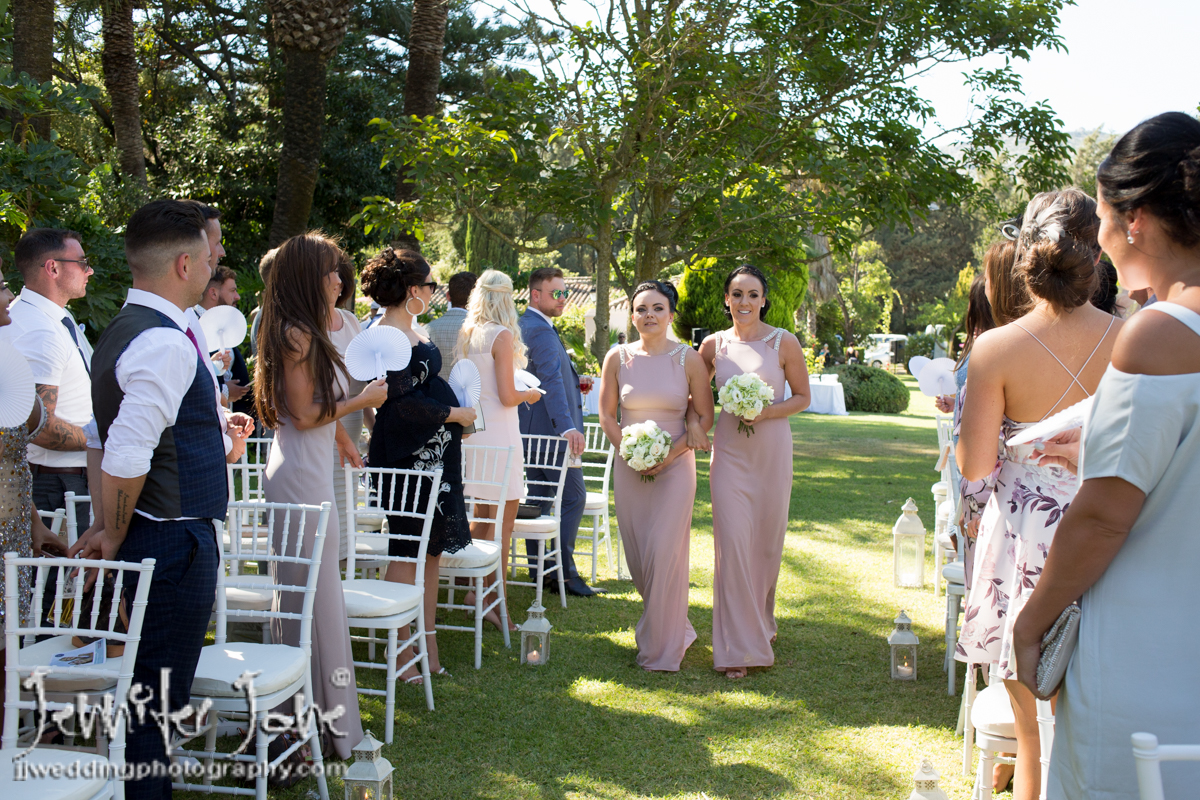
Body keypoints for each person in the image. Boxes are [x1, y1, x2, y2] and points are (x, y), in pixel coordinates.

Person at [1012, 112, 1200, 800]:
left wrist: (1031, 624)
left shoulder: (1158, 335)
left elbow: (1102, 519)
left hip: (1149, 656)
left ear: (1138, 218)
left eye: (1102, 219)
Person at [70, 199, 252, 799]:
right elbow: (124, 455)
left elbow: (101, 441)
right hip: (172, 540)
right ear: (183, 263)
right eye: (208, 255)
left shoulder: (121, 331)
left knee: (150, 692)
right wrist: (114, 532)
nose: (215, 262)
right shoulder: (165, 343)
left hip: (154, 532)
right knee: (156, 699)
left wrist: (105, 521)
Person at [955, 188, 1121, 800]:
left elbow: (975, 464)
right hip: (1110, 527)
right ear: (1097, 260)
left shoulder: (996, 348)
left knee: (1031, 730)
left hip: (1025, 538)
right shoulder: (1132, 340)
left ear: (1027, 253)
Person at [255, 232, 384, 757]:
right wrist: (362, 402)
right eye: (332, 271)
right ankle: (325, 728)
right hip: (301, 473)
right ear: (311, 277)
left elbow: (312, 415)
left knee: (306, 594)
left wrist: (343, 440)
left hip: (309, 462)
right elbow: (306, 413)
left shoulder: (300, 330)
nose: (340, 280)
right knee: (315, 597)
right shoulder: (296, 335)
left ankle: (306, 722)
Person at [360, 247, 477, 678]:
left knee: (430, 554)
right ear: (413, 289)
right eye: (430, 285)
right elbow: (401, 404)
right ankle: (400, 651)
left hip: (437, 456)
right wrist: (454, 415)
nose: (433, 292)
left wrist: (461, 417)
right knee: (407, 550)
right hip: (408, 458)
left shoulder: (414, 330)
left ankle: (425, 646)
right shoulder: (385, 337)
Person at [696, 265, 810, 679]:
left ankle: (762, 621)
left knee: (764, 543)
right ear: (726, 299)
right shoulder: (713, 346)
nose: (744, 302)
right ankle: (737, 648)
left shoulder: (784, 342)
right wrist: (694, 422)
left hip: (771, 453)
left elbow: (802, 397)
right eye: (737, 294)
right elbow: (694, 391)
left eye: (752, 294)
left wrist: (766, 411)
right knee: (733, 545)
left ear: (764, 299)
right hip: (728, 455)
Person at [598, 281, 713, 671]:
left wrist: (671, 454)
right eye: (642, 309)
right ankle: (673, 625)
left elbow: (704, 415)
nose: (649, 315)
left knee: (665, 552)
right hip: (630, 468)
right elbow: (606, 416)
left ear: (671, 314)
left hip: (676, 467)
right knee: (640, 559)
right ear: (632, 315)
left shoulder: (688, 359)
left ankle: (661, 649)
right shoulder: (617, 357)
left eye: (658, 308)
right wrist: (629, 452)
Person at [0, 263, 68, 735]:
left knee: (8, 650)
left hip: (12, 534)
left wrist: (34, 525)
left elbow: (14, 455)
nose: (8, 315)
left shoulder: (6, 358)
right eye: (1, 296)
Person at [456, 270, 541, 630]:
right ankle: (498, 606)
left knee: (480, 518)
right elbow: (508, 396)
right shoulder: (502, 335)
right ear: (506, 299)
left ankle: (477, 592)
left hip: (475, 433)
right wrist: (530, 395)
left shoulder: (468, 333)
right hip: (501, 435)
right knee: (503, 528)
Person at [518, 267, 602, 596]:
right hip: (552, 434)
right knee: (572, 497)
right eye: (556, 293)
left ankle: (542, 571)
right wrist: (567, 426)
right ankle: (563, 574)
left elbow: (548, 378)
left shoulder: (531, 325)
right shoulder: (538, 329)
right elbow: (551, 382)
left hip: (533, 432)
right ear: (535, 295)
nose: (563, 298)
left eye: (565, 292)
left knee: (539, 499)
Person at [0, 228, 93, 523]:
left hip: (64, 481)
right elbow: (38, 425)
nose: (89, 270)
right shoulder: (37, 330)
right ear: (53, 267)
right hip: (55, 486)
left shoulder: (54, 319)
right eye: (81, 261)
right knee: (56, 571)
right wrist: (104, 439)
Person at [321, 246, 369, 559]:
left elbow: (360, 384)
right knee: (320, 531)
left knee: (343, 519)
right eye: (332, 272)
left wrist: (370, 425)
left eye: (341, 273)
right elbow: (312, 403)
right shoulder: (303, 329)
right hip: (321, 431)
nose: (339, 280)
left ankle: (337, 596)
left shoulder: (351, 322)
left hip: (349, 425)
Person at [426, 271, 477, 380]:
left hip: (436, 395)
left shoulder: (427, 330)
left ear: (448, 296)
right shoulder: (482, 331)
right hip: (473, 396)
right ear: (477, 298)